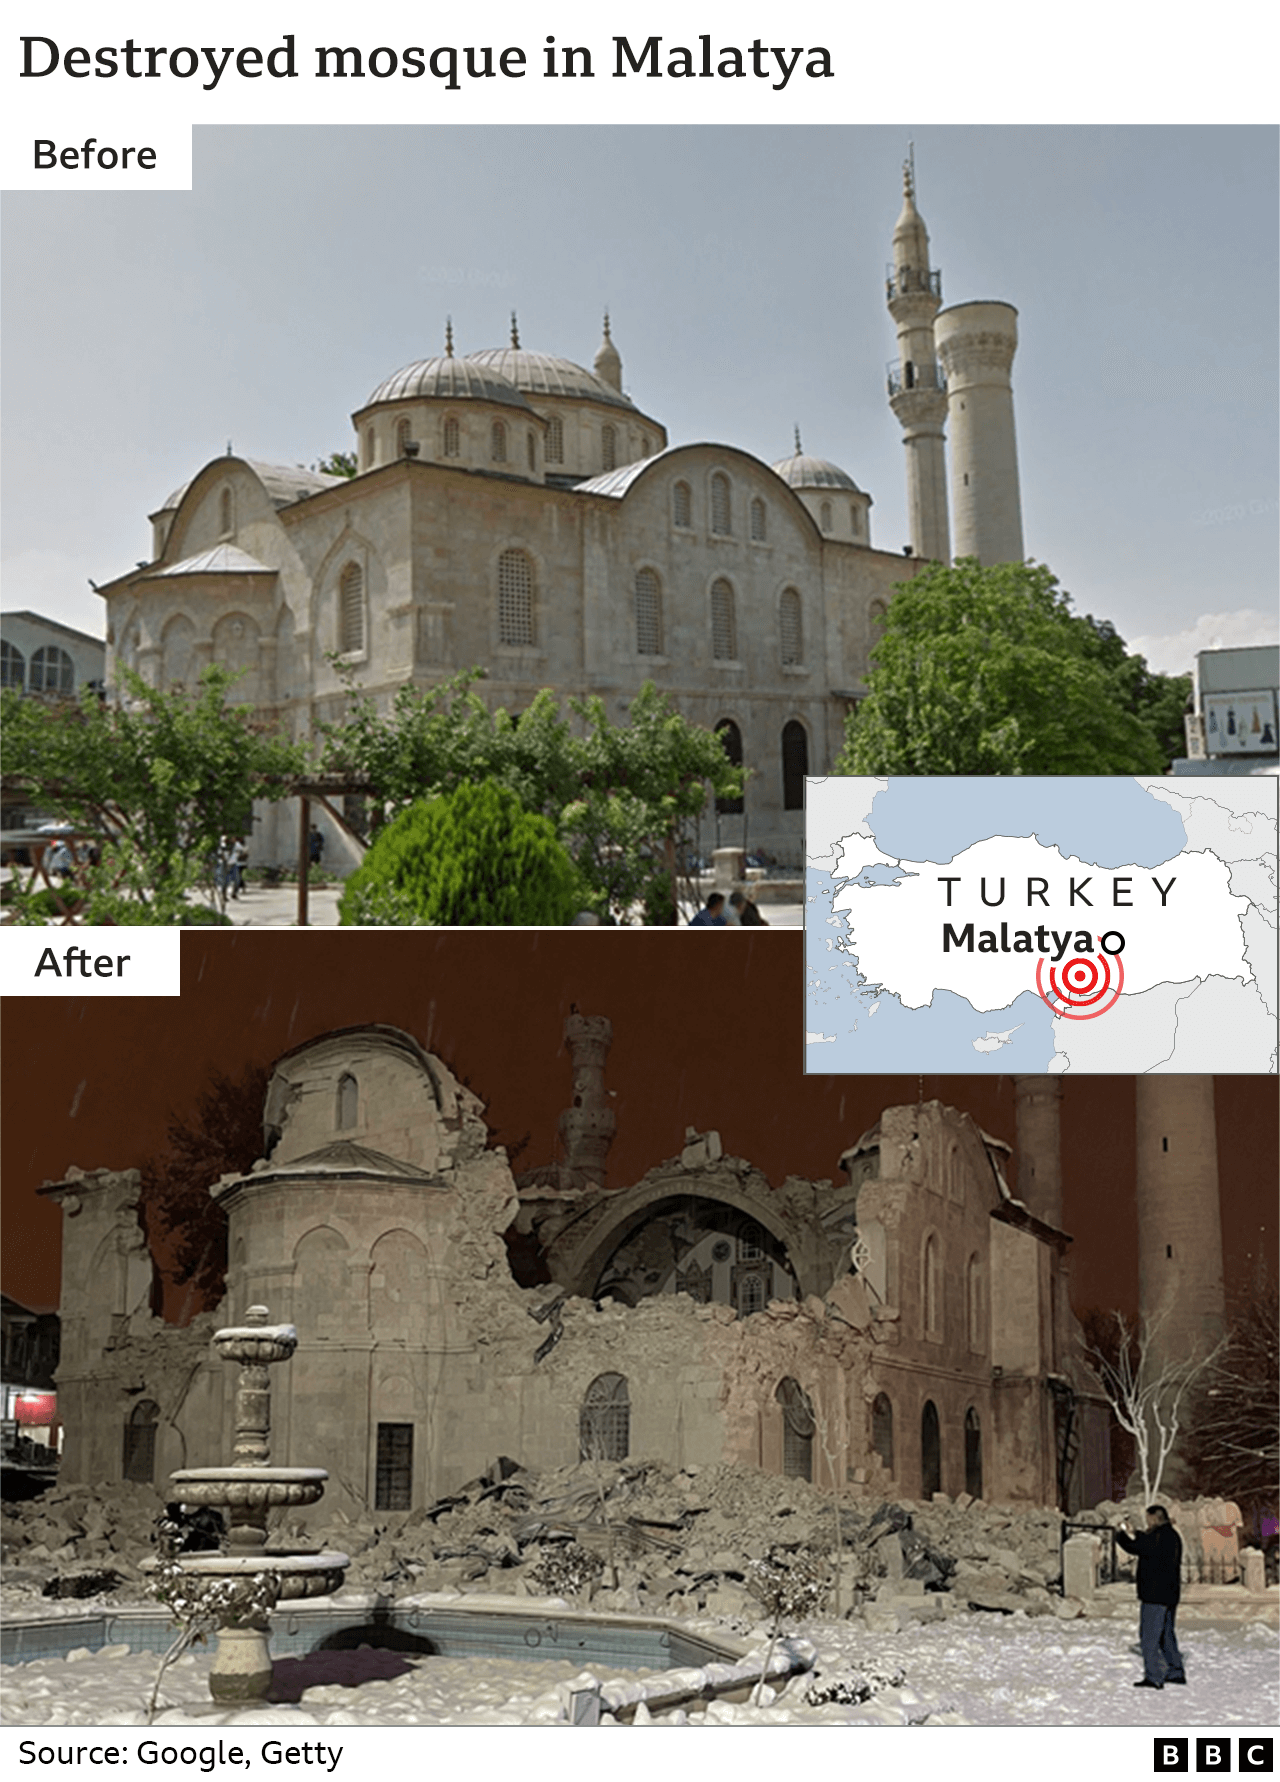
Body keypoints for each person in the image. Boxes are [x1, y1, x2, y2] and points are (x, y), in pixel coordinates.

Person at [1115, 1504, 1186, 1688]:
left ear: (1155, 1518)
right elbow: (1146, 1542)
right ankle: (1175, 1671)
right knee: (1166, 1635)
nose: (1147, 1522)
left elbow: (1136, 1547)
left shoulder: (1158, 1537)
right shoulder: (1172, 1535)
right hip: (1170, 1594)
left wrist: (1120, 1535)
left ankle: (1154, 1676)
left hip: (1155, 1595)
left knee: (1149, 1637)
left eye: (1148, 1519)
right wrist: (1135, 1531)